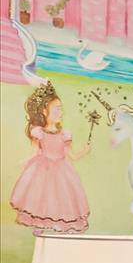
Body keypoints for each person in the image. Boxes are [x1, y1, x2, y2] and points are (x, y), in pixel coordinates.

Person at [9, 81, 89, 232]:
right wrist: (25, 162)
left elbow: (70, 155)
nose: (61, 112)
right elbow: (35, 152)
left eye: (61, 109)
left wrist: (84, 152)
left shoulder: (64, 134)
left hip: (62, 171)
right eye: (57, 109)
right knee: (41, 197)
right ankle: (40, 225)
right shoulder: (38, 132)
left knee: (60, 198)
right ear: (45, 111)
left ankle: (57, 226)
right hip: (42, 169)